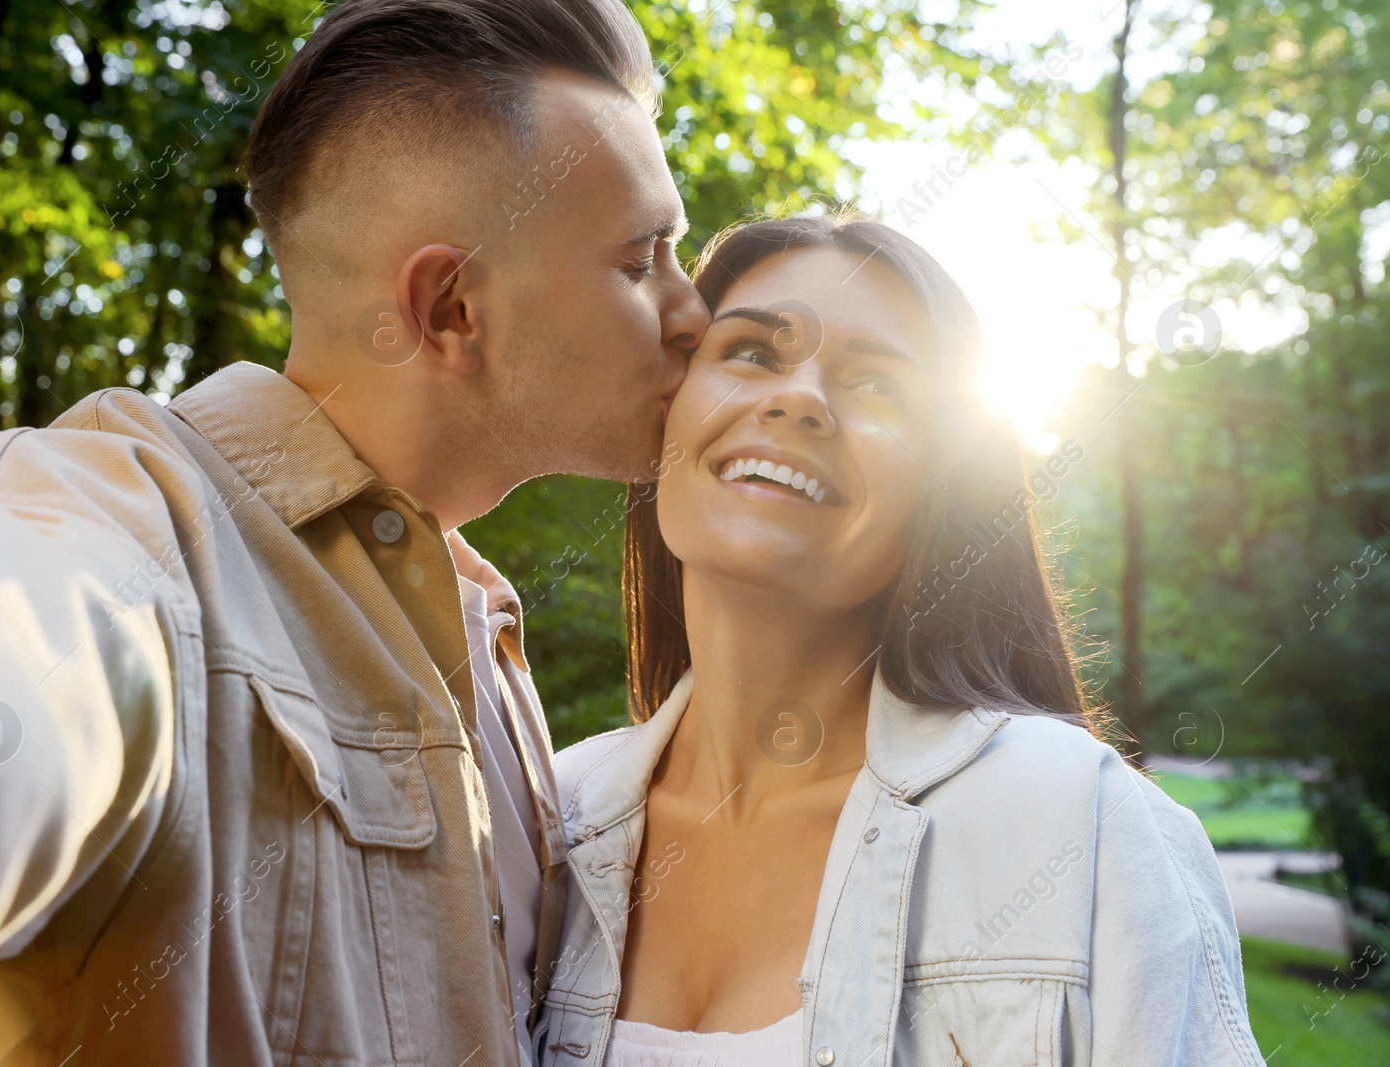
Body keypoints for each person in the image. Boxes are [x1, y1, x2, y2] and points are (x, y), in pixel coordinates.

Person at [0, 1, 708, 1064]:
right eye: (643, 260)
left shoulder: (486, 636)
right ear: (451, 307)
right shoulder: (134, 537)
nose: (694, 311)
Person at [537, 213, 1265, 1066]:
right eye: (752, 353)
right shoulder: (541, 823)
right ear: (669, 413)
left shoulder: (1089, 828)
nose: (800, 397)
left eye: (877, 385)